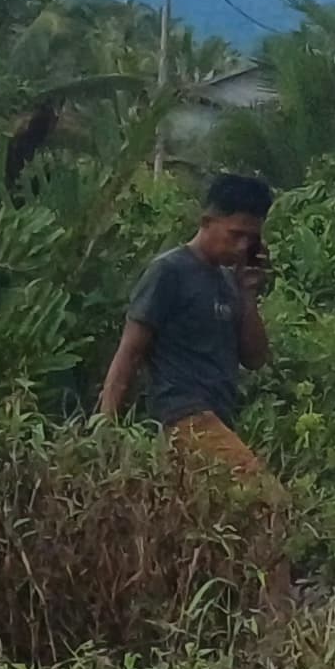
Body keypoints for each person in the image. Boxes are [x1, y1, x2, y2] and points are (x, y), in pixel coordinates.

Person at [97, 171, 277, 475]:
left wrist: (248, 293)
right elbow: (129, 353)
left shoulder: (229, 280)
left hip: (218, 419)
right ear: (206, 221)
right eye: (235, 235)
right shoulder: (169, 271)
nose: (241, 246)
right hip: (182, 416)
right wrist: (104, 432)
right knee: (264, 495)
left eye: (251, 239)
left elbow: (255, 358)